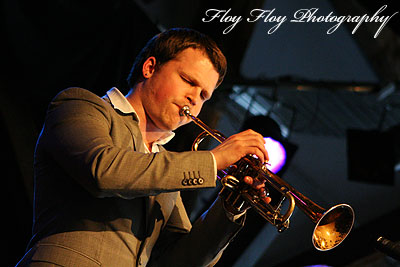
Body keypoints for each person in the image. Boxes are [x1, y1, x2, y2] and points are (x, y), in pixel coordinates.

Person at [16, 28, 269, 267]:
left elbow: (182, 261)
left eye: (204, 95)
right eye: (188, 80)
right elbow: (103, 171)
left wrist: (230, 205)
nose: (194, 97)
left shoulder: (168, 167)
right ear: (150, 68)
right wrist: (213, 160)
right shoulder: (80, 105)